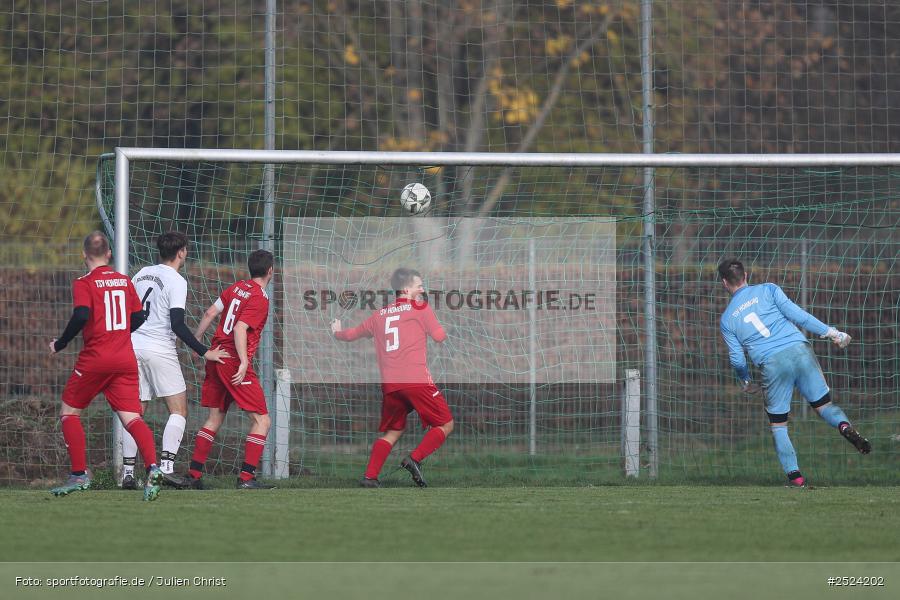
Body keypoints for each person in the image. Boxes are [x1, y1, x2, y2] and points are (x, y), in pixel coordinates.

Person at [718, 258, 871, 487]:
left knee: (779, 425)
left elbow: (737, 358)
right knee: (824, 406)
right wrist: (833, 333)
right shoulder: (769, 289)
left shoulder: (727, 319)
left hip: (772, 364)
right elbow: (800, 316)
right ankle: (844, 426)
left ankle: (796, 478)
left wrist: (746, 381)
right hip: (800, 351)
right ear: (746, 275)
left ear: (724, 283)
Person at [48, 231, 164, 501]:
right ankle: (153, 468)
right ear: (109, 254)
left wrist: (60, 343)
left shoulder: (84, 283)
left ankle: (79, 474)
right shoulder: (124, 281)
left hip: (96, 359)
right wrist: (120, 333)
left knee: (69, 413)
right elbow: (139, 316)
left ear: (84, 255)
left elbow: (81, 315)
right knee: (132, 418)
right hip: (124, 359)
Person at [123, 232, 230, 490]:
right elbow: (177, 324)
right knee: (179, 410)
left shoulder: (141, 274)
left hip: (131, 347)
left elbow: (129, 311)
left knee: (136, 413)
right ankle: (166, 469)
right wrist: (205, 351)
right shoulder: (177, 280)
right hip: (159, 348)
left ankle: (127, 474)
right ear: (181, 252)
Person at [331, 267, 453, 488]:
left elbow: (353, 334)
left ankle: (370, 477)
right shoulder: (421, 308)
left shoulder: (379, 315)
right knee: (445, 424)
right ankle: (414, 459)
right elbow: (439, 337)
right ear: (406, 289)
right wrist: (439, 326)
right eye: (419, 286)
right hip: (415, 380)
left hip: (391, 385)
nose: (422, 290)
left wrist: (337, 332)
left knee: (393, 431)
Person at [183, 249, 276, 489]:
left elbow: (210, 312)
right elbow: (239, 328)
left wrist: (197, 341)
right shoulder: (260, 297)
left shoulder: (236, 287)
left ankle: (193, 476)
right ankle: (246, 478)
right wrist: (244, 362)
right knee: (262, 421)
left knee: (214, 418)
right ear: (270, 271)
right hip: (233, 360)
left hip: (215, 356)